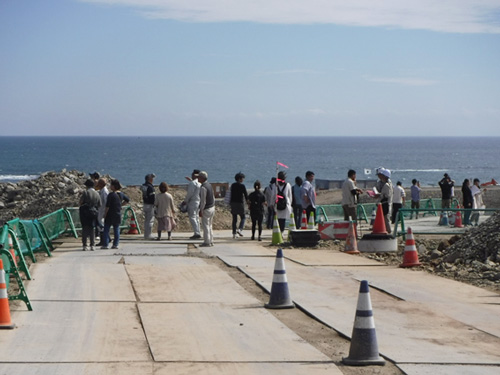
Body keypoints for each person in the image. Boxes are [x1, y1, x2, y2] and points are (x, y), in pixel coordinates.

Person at [102, 179, 124, 250]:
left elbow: (107, 206)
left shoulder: (111, 195)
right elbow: (127, 200)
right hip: (117, 214)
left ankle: (105, 244)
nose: (110, 186)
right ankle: (115, 244)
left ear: (114, 186)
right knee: (116, 229)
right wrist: (121, 205)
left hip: (110, 214)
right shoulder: (121, 194)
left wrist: (105, 214)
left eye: (111, 185)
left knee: (106, 229)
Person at [79, 179, 101, 251]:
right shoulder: (97, 193)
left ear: (87, 186)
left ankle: (85, 245)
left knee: (85, 228)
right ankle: (92, 245)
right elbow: (99, 204)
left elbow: (81, 202)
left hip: (85, 213)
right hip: (94, 212)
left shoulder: (86, 192)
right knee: (92, 229)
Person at [182, 169, 201, 239]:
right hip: (198, 201)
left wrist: (185, 201)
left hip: (192, 201)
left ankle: (196, 233)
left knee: (192, 217)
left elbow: (190, 193)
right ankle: (198, 231)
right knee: (196, 217)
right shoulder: (199, 183)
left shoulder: (192, 183)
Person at [198, 171, 215, 247]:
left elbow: (203, 201)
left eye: (199, 177)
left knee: (205, 226)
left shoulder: (203, 187)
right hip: (212, 207)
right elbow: (213, 197)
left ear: (202, 178)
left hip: (206, 208)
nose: (197, 178)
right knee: (210, 225)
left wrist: (201, 210)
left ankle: (207, 241)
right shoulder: (209, 185)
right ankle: (211, 240)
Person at [374, 168, 393, 234]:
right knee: (384, 218)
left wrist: (378, 195)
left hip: (386, 204)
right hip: (384, 203)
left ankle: (389, 232)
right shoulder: (383, 183)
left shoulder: (387, 185)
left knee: (386, 218)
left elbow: (385, 195)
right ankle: (385, 231)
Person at [230, 172, 248, 239]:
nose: (243, 180)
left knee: (234, 219)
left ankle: (234, 233)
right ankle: (240, 229)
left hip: (233, 203)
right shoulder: (242, 186)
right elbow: (246, 195)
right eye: (242, 178)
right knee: (243, 217)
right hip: (240, 203)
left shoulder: (233, 185)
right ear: (240, 179)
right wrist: (248, 202)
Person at [142, 173, 156, 239]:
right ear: (150, 179)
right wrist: (155, 204)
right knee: (150, 220)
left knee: (146, 220)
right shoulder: (150, 187)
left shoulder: (144, 186)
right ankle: (148, 235)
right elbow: (152, 197)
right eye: (152, 178)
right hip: (150, 205)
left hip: (145, 204)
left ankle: (146, 234)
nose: (153, 179)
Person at [95, 178, 109, 246]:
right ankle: (106, 239)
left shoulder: (104, 192)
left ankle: (104, 240)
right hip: (101, 210)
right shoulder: (102, 191)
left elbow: (106, 202)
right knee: (101, 225)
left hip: (102, 210)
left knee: (102, 226)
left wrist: (105, 212)